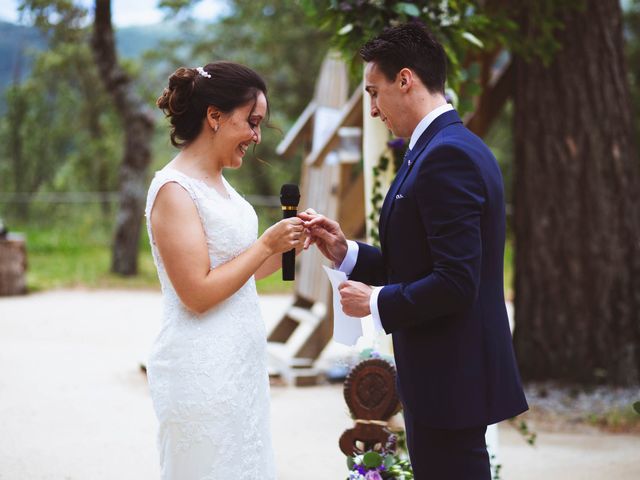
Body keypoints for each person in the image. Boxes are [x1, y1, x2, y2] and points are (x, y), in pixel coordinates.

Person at [301, 23, 528, 479]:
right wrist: (346, 253)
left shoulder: (448, 156)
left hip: (453, 378)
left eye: (374, 92)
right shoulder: (432, 148)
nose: (372, 109)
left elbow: (456, 281)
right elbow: (414, 261)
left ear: (405, 80)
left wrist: (376, 301)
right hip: (441, 376)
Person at [145, 61, 304, 479]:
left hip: (241, 368)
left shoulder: (220, 183)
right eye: (251, 122)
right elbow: (197, 293)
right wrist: (266, 242)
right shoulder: (174, 191)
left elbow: (240, 275)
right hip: (200, 371)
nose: (255, 136)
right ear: (214, 116)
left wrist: (292, 245)